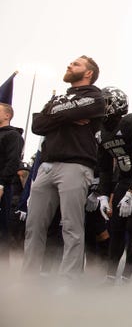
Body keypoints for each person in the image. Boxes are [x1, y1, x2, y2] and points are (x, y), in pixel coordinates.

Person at [22, 55, 104, 283]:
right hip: (46, 167)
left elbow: (50, 118)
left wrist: (55, 116)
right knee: (33, 225)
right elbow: (38, 124)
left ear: (88, 73)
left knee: (71, 226)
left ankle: (69, 282)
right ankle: (28, 279)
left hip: (76, 165)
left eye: (76, 64)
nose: (69, 65)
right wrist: (68, 115)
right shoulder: (60, 97)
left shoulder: (95, 96)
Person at [94, 87, 132, 284]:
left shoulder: (131, 122)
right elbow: (105, 167)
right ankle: (110, 277)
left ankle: (127, 277)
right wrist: (103, 195)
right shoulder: (101, 132)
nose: (101, 106)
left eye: (105, 102)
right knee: (116, 227)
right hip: (124, 179)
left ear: (118, 104)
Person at [0, 103, 24, 264]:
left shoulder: (12, 135)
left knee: (1, 229)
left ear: (7, 115)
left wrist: (1, 184)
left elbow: (12, 161)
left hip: (2, 187)